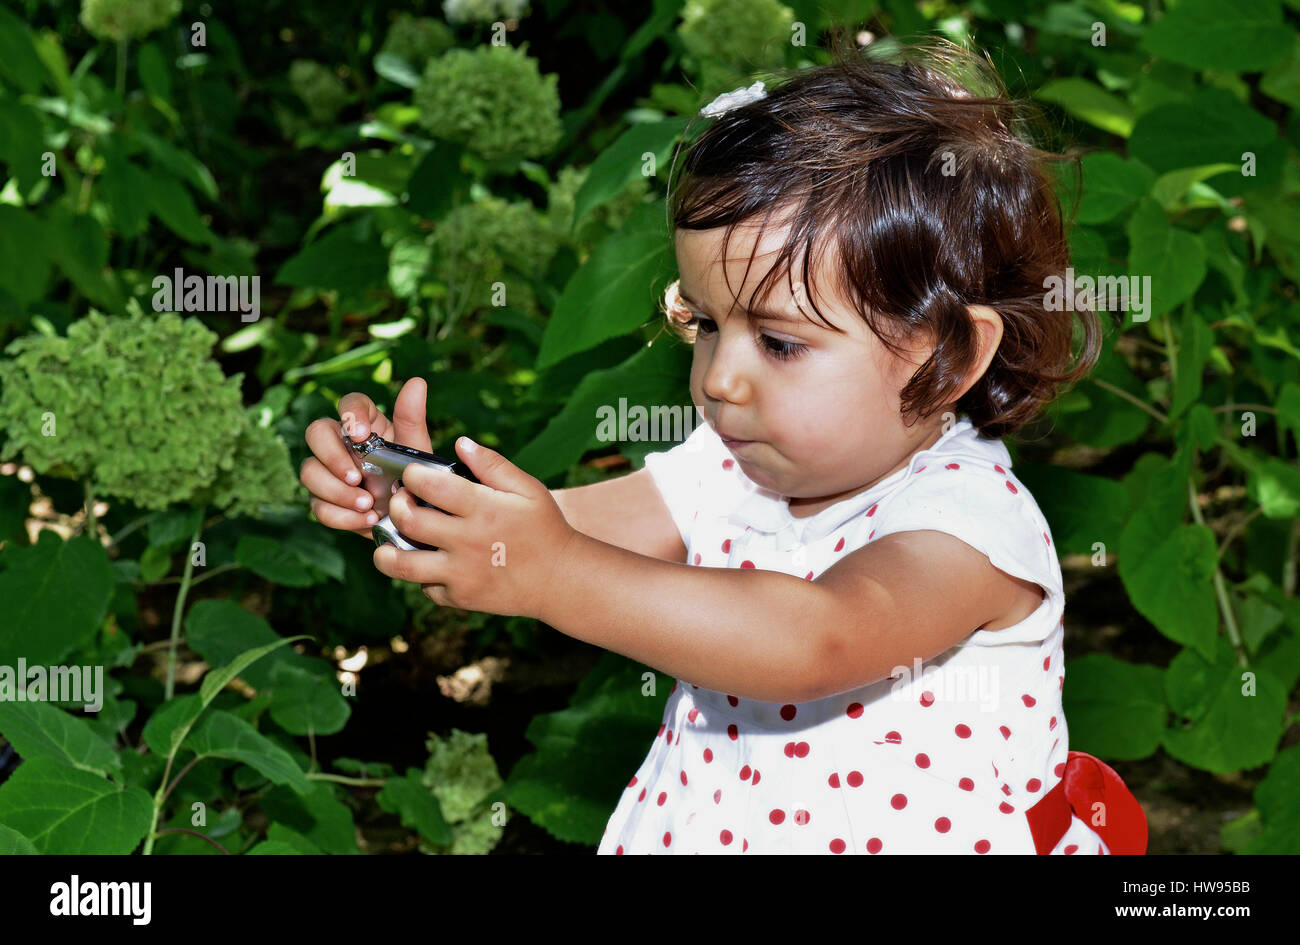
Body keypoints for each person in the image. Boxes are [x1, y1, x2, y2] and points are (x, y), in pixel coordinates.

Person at [300, 36, 1147, 855]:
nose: (719, 381)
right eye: (704, 323)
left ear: (951, 355)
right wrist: (426, 507)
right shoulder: (730, 464)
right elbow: (551, 533)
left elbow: (816, 640)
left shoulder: (968, 522)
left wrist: (550, 570)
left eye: (779, 342)